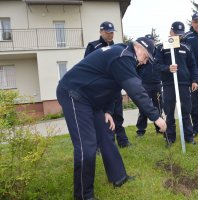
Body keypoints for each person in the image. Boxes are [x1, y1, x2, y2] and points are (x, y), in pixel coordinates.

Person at [56, 37, 167, 199]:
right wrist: (156, 117)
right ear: (138, 48)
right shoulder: (123, 56)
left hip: (89, 98)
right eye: (145, 57)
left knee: (107, 134)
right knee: (86, 146)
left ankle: (118, 177)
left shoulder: (122, 55)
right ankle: (83, 195)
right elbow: (135, 90)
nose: (144, 62)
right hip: (73, 93)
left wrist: (107, 111)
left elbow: (114, 87)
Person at [84, 21, 131, 148]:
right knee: (102, 118)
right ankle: (101, 145)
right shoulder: (93, 46)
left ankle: (123, 141)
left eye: (112, 32)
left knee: (118, 116)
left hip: (115, 87)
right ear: (100, 32)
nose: (110, 35)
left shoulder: (117, 47)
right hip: (100, 89)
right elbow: (87, 67)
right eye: (107, 32)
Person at [155, 21, 198, 145]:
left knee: (186, 111)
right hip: (168, 84)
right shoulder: (161, 47)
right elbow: (156, 66)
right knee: (169, 112)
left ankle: (189, 138)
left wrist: (195, 80)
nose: (178, 37)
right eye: (176, 34)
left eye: (180, 35)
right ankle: (170, 137)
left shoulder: (186, 48)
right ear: (171, 32)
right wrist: (167, 68)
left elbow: (193, 66)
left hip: (184, 84)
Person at [136, 34, 163, 136]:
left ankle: (159, 128)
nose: (151, 43)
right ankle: (140, 131)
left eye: (152, 41)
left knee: (158, 107)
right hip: (144, 84)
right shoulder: (141, 54)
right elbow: (136, 69)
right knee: (143, 108)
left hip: (156, 84)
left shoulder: (159, 53)